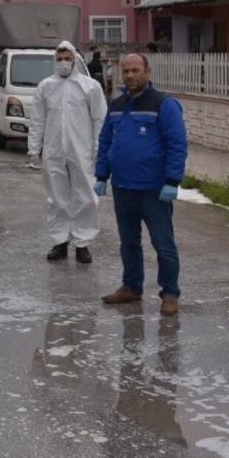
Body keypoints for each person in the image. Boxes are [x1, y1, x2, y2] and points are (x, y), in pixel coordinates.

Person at [94, 53, 188, 315]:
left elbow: (177, 144)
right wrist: (101, 175)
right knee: (128, 242)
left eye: (136, 70)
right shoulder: (116, 105)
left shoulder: (163, 104)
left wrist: (172, 180)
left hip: (154, 190)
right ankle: (131, 287)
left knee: (163, 243)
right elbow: (106, 142)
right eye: (126, 71)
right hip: (123, 187)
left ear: (148, 72)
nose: (130, 75)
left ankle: (170, 293)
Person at [28, 41, 108, 263]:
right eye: (60, 58)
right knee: (57, 197)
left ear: (75, 60)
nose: (63, 62)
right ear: (55, 61)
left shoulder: (90, 86)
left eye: (67, 58)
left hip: (82, 150)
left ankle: (83, 243)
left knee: (86, 196)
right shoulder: (45, 87)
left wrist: (98, 147)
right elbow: (37, 120)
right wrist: (34, 148)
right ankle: (60, 241)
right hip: (54, 151)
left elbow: (100, 119)